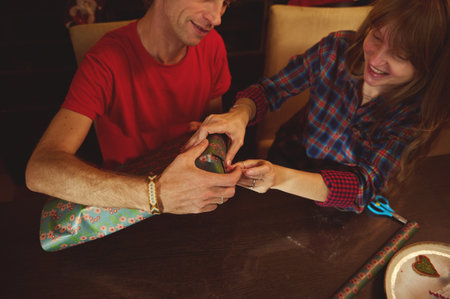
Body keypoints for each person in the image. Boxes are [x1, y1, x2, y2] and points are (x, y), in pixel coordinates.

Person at [186, 0, 449, 213]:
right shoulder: (335, 50)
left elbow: (363, 186)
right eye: (377, 38)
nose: (378, 59)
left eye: (400, 55)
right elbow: (271, 90)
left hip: (339, 203)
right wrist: (240, 113)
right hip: (288, 157)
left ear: (426, 67)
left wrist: (279, 178)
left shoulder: (417, 113)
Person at [26, 0, 242, 215]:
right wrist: (155, 194)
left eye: (224, 3)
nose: (217, 18)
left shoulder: (213, 45)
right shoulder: (106, 60)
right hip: (126, 208)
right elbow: (40, 170)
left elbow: (214, 134)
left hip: (196, 201)